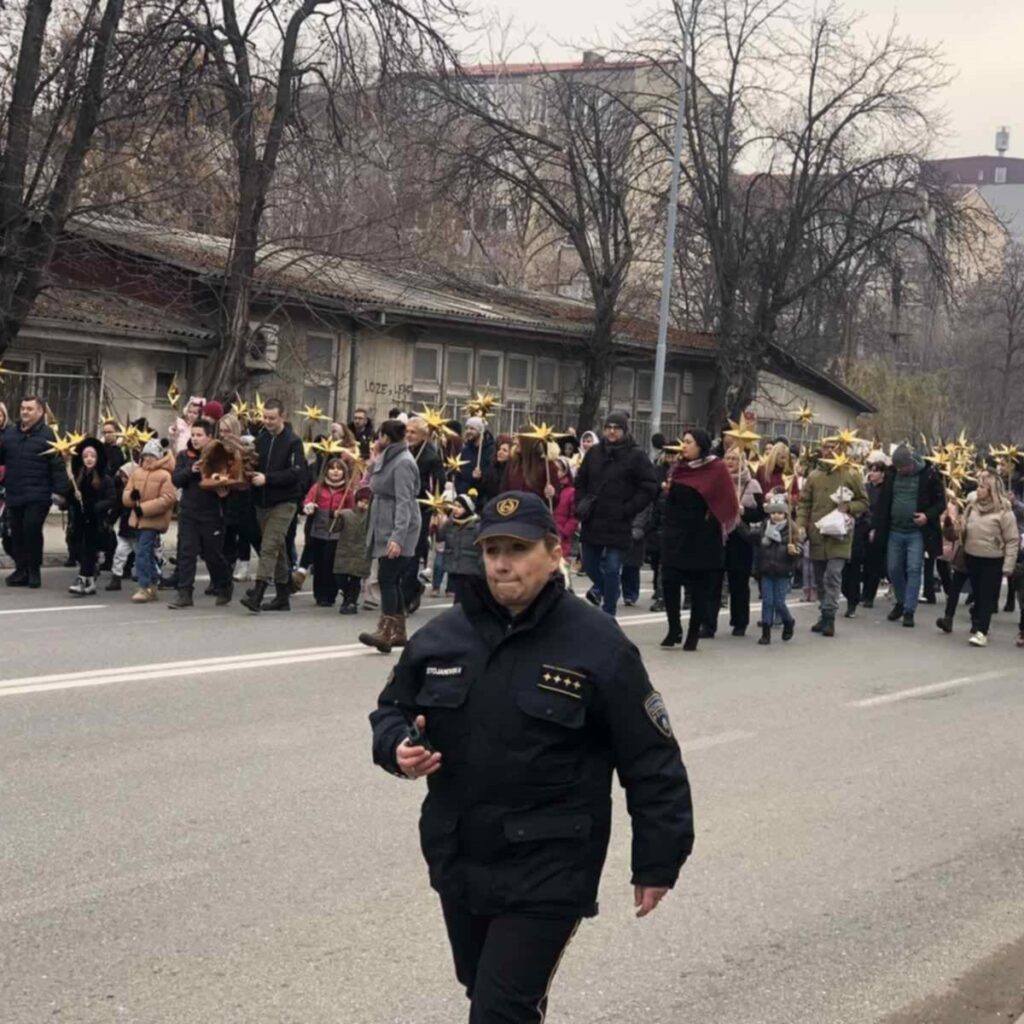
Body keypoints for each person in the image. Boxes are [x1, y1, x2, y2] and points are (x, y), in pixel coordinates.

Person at [369, 491, 694, 1024]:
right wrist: (398, 746)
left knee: (501, 1010)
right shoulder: (443, 637)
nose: (501, 563)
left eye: (517, 549)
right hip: (461, 856)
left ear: (553, 551)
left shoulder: (597, 642)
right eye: (492, 549)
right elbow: (391, 710)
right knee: (483, 990)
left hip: (551, 864)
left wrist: (658, 859)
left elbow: (650, 758)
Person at [660, 429, 740, 650]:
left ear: (700, 445)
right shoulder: (680, 469)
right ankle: (673, 628)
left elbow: (727, 501)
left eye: (688, 442)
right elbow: (671, 501)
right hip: (676, 534)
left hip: (702, 536)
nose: (684, 446)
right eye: (683, 442)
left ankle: (693, 632)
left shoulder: (716, 468)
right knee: (669, 582)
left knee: (699, 588)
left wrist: (713, 515)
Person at [574, 412, 658, 616]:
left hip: (619, 521)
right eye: (608, 427)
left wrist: (628, 508)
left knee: (612, 567)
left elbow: (649, 486)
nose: (612, 432)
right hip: (594, 519)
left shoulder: (636, 455)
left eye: (617, 428)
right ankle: (609, 590)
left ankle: (608, 611)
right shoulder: (594, 453)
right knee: (590, 564)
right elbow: (581, 482)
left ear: (624, 430)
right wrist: (581, 503)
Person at [358, 419, 421, 653]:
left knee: (387, 577)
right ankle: (400, 631)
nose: (377, 439)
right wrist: (373, 462)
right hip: (384, 518)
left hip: (398, 523)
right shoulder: (389, 456)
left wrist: (397, 537)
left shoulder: (403, 462)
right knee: (391, 578)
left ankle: (385, 630)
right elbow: (374, 483)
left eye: (380, 436)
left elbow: (405, 501)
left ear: (386, 437)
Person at [796, 442, 868, 637]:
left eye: (833, 447)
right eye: (826, 448)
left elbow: (863, 501)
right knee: (820, 578)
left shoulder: (851, 474)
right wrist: (801, 525)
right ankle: (823, 612)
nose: (828, 451)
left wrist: (849, 507)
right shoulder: (814, 476)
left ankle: (830, 617)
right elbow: (804, 504)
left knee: (833, 575)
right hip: (818, 534)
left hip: (840, 535)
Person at [241, 399, 305, 613]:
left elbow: (297, 472)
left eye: (271, 418)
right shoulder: (261, 439)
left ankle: (257, 596)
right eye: (265, 417)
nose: (267, 422)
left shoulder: (293, 442)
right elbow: (253, 463)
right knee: (277, 548)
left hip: (285, 502)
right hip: (262, 501)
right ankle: (282, 595)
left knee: (269, 546)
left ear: (282, 417)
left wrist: (268, 479)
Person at [872, 444, 945, 628]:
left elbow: (940, 502)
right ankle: (902, 601)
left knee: (914, 569)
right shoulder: (892, 475)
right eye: (897, 467)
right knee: (894, 568)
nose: (899, 470)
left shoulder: (928, 475)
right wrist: (876, 527)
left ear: (910, 463)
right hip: (895, 529)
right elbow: (883, 503)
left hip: (916, 532)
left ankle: (909, 610)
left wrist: (927, 516)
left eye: (902, 467)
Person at [943, 470, 1019, 647]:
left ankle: (982, 632)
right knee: (977, 594)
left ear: (991, 490)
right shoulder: (972, 506)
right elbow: (963, 532)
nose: (978, 490)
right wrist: (955, 526)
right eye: (978, 486)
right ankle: (978, 623)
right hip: (972, 556)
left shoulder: (1004, 511)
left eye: (982, 487)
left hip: (993, 559)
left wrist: (1008, 564)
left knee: (986, 597)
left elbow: (1012, 539)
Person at [0, 395, 67, 588]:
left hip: (38, 494)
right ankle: (21, 570)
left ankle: (34, 570)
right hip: (14, 492)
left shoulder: (48, 436)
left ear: (40, 412)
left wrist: (61, 492)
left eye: (29, 409)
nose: (24, 412)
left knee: (32, 529)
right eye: (22, 408)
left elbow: (57, 466)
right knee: (17, 533)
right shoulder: (11, 434)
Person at [168, 418, 232, 609]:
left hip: (211, 514)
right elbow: (176, 479)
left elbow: (228, 481)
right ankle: (184, 593)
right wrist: (191, 470)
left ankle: (224, 584)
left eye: (199, 435)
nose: (195, 439)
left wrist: (223, 488)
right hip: (188, 512)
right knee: (187, 553)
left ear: (209, 437)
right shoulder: (184, 456)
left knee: (212, 554)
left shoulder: (219, 456)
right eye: (193, 435)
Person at [709, 447, 763, 638]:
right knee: (713, 582)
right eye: (728, 458)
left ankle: (740, 622)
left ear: (743, 462)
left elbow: (760, 513)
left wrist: (744, 512)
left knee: (739, 582)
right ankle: (708, 624)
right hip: (717, 537)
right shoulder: (717, 481)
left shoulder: (751, 484)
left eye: (735, 458)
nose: (730, 461)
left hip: (740, 539)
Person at [123, 439, 176, 603]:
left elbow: (168, 499)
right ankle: (154, 582)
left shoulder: (165, 475)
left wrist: (144, 509)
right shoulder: (137, 473)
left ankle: (144, 586)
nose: (148, 459)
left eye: (152, 456)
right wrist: (131, 498)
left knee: (142, 552)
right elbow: (126, 492)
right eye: (146, 455)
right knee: (144, 551)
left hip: (153, 521)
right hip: (138, 520)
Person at [403, 416, 444, 614]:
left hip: (420, 508)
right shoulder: (403, 451)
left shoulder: (431, 456)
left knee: (413, 552)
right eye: (407, 431)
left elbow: (438, 485)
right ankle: (407, 590)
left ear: (424, 435)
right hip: (401, 506)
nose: (409, 435)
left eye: (413, 432)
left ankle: (407, 596)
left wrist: (436, 511)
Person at [302, 456, 354, 607]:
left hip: (337, 531)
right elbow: (308, 500)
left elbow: (352, 510)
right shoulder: (318, 487)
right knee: (319, 563)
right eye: (332, 468)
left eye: (339, 469)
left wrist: (343, 513)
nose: (335, 471)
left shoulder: (347, 491)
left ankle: (330, 593)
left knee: (331, 562)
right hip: (319, 528)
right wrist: (309, 506)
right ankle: (319, 594)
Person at [66, 439, 116, 597]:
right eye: (86, 455)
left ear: (98, 458)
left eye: (92, 456)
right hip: (79, 520)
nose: (89, 459)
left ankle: (82, 579)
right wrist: (72, 496)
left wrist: (96, 507)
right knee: (78, 548)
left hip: (96, 521)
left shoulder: (104, 478)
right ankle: (90, 581)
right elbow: (69, 498)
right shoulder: (77, 478)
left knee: (89, 549)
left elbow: (111, 498)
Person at [752, 493, 798, 644]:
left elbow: (800, 548)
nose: (776, 516)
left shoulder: (791, 530)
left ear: (785, 513)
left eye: (779, 513)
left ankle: (788, 621)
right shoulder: (764, 527)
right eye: (773, 513)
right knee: (767, 601)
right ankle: (766, 632)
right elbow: (754, 542)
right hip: (766, 570)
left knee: (779, 601)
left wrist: (794, 550)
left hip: (783, 571)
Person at [857, 453, 890, 609]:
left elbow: (881, 511)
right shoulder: (866, 488)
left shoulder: (886, 490)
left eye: (875, 471)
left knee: (874, 564)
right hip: (863, 526)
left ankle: (869, 595)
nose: (871, 474)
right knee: (861, 562)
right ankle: (861, 593)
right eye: (870, 470)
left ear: (882, 473)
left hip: (878, 529)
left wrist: (874, 527)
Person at [436, 493, 482, 603]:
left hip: (470, 568)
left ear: (467, 508)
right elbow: (440, 537)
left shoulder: (476, 525)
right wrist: (441, 524)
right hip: (455, 566)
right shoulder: (451, 523)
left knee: (466, 597)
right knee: (459, 596)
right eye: (454, 506)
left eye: (459, 506)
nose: (455, 509)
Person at [333, 486, 373, 614]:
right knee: (340, 577)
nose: (363, 505)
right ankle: (347, 596)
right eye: (361, 501)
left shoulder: (371, 518)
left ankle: (351, 602)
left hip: (361, 552)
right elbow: (334, 528)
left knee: (356, 579)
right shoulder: (346, 514)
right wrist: (335, 517)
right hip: (344, 551)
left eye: (367, 503)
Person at [105, 460, 138, 591]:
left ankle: (148, 577)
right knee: (119, 554)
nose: (123, 479)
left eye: (126, 476)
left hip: (138, 529)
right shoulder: (121, 492)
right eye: (122, 476)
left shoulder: (141, 491)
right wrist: (109, 521)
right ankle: (116, 578)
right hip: (125, 530)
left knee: (142, 555)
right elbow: (117, 508)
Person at [454, 417, 494, 495]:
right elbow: (459, 474)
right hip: (464, 496)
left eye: (472, 429)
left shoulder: (491, 451)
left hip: (481, 498)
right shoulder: (465, 450)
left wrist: (480, 478)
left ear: (480, 431)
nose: (468, 431)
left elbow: (491, 477)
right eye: (467, 428)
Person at [552, 457, 578, 561]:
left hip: (561, 537)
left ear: (564, 472)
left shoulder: (571, 491)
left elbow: (575, 516)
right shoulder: (543, 487)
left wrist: (564, 531)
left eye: (558, 469)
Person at [479, 437, 511, 502]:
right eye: (499, 449)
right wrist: (479, 479)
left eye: (504, 450)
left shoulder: (512, 472)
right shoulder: (491, 469)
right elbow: (483, 489)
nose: (500, 452)